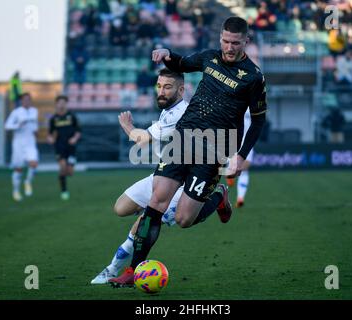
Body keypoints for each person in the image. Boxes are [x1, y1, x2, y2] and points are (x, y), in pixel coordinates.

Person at [109, 16, 267, 287]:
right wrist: (167, 55)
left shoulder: (253, 77)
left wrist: (240, 155)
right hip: (184, 139)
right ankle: (134, 270)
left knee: (183, 218)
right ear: (220, 39)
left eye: (236, 43)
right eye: (226, 41)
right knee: (156, 203)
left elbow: (259, 118)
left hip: (217, 147)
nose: (229, 48)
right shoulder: (209, 58)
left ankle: (218, 197)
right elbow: (181, 63)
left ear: (246, 42)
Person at [91, 68, 231, 284]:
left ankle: (115, 268)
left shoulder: (180, 113)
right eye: (159, 86)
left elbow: (142, 139)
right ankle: (216, 195)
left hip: (186, 180)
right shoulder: (168, 110)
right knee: (121, 208)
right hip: (167, 171)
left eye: (167, 87)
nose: (161, 92)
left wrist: (128, 127)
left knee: (164, 219)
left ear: (181, 89)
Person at [4, 93, 39, 201]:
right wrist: (17, 125)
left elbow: (35, 125)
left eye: (29, 99)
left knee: (34, 163)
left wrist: (35, 131)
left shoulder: (34, 111)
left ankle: (28, 181)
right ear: (21, 101)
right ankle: (16, 191)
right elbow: (7, 126)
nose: (27, 101)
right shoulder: (16, 112)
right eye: (25, 100)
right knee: (18, 168)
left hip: (30, 141)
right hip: (19, 142)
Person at [47, 96, 81, 200]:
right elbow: (49, 134)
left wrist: (75, 138)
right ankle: (64, 191)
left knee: (70, 172)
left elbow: (78, 131)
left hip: (71, 147)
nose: (61, 105)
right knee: (62, 167)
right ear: (56, 104)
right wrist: (50, 139)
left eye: (63, 102)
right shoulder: (53, 119)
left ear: (66, 104)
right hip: (59, 147)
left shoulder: (72, 116)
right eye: (59, 103)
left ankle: (64, 175)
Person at [226, 109, 254, 208]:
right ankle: (228, 174)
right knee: (234, 166)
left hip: (246, 139)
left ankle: (240, 198)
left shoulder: (254, 100)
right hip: (235, 137)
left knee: (244, 168)